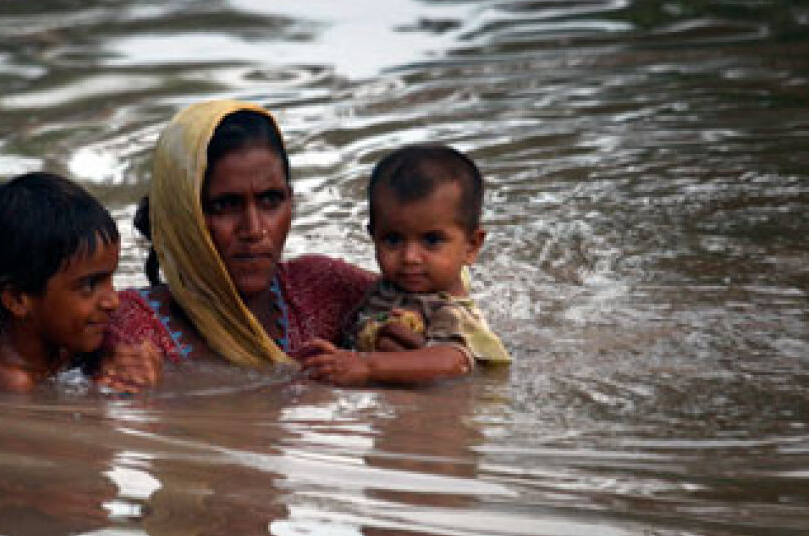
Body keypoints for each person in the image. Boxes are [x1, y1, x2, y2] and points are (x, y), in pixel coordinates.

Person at [99, 99, 385, 387]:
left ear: (291, 201)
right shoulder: (129, 330)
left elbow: (423, 304)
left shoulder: (324, 289)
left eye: (271, 200)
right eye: (225, 205)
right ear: (182, 216)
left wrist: (397, 345)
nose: (254, 229)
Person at [299, 145, 511, 386]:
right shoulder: (389, 288)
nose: (409, 257)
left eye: (432, 240)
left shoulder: (447, 309)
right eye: (393, 239)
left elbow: (453, 362)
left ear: (471, 246)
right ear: (373, 236)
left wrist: (366, 366)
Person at [0, 171, 159, 393]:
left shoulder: (64, 348)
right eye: (89, 285)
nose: (113, 300)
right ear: (17, 299)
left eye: (110, 278)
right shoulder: (8, 384)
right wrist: (105, 394)